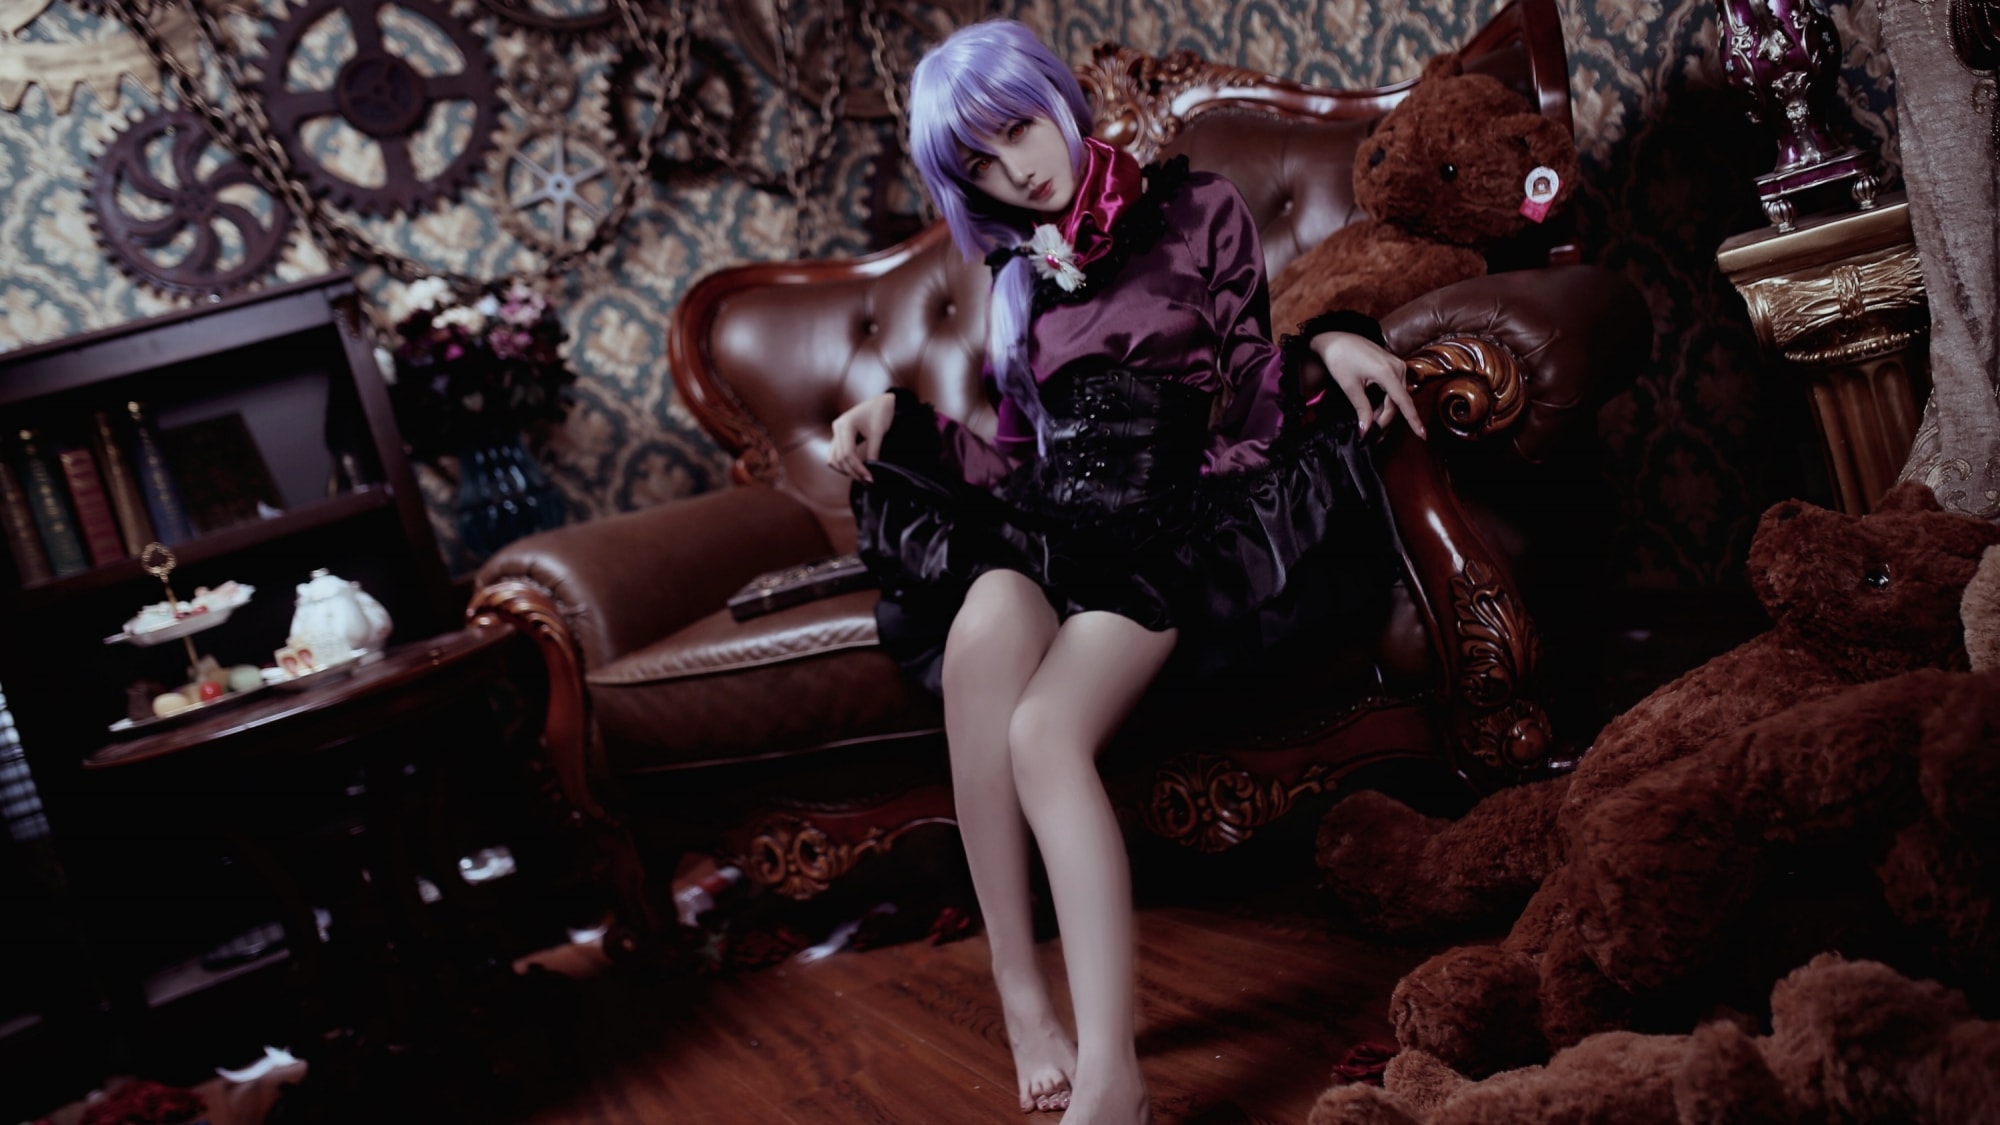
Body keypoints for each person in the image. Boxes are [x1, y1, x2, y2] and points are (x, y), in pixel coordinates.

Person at [825, 20, 1422, 1124]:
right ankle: (1022, 1002)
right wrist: (896, 420)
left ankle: (1112, 1079)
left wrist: (1329, 341)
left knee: (1041, 731)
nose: (1017, 170)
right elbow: (1015, 464)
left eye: (1019, 128)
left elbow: (1248, 391)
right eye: (982, 164)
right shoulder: (1018, 278)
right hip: (1059, 523)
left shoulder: (1200, 211)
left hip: (1169, 530)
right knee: (980, 629)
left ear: (1057, 98)